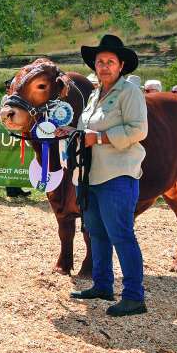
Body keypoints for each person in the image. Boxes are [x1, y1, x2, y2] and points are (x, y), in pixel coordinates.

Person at [63, 34, 148, 317]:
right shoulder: (93, 95)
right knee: (97, 233)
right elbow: (83, 129)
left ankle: (135, 296)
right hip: (91, 176)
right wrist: (71, 134)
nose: (105, 66)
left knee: (121, 234)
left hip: (118, 175)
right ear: (95, 66)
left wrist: (98, 139)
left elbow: (138, 130)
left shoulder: (129, 92)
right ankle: (102, 284)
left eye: (111, 61)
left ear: (121, 65)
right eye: (101, 62)